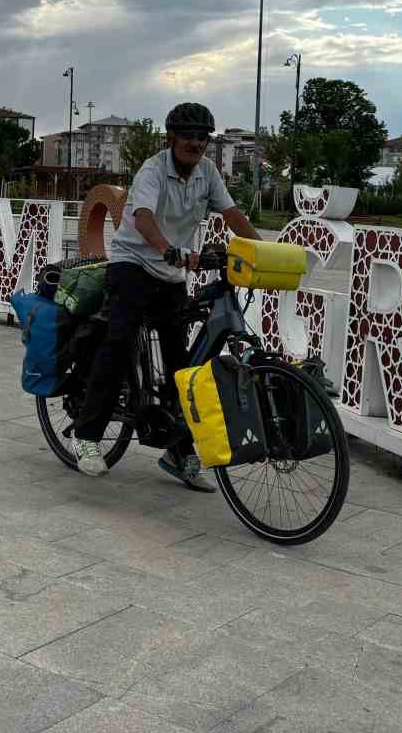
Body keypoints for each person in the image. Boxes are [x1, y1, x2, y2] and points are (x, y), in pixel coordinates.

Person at [72, 101, 262, 489]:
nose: (197, 143)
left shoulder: (207, 172)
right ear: (170, 138)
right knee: (120, 341)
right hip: (134, 262)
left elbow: (232, 215)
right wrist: (166, 249)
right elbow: (142, 216)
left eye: (203, 137)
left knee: (183, 366)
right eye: (188, 136)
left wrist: (263, 251)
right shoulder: (153, 169)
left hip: (172, 273)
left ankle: (178, 452)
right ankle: (87, 436)